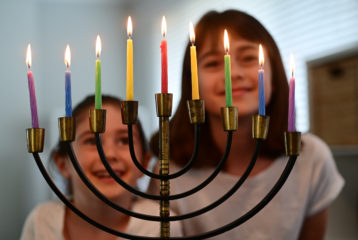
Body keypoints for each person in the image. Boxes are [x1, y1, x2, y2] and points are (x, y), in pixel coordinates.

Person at [149, 10, 344, 240]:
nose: (233, 73)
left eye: (250, 58)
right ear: (192, 83)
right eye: (212, 63)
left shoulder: (311, 157)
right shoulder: (169, 171)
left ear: (274, 72)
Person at [21, 95, 182, 240]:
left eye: (124, 141)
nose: (109, 154)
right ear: (63, 164)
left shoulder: (162, 223)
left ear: (144, 163)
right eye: (91, 141)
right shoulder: (41, 221)